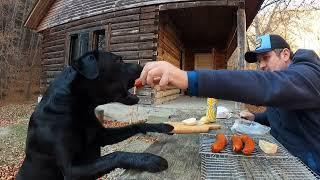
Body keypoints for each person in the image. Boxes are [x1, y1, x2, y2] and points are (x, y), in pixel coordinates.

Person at [139, 34, 320, 174]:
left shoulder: (309, 74)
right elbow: (281, 114)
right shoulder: (286, 87)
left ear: (285, 54)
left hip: (309, 168)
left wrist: (188, 78)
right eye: (259, 61)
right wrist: (257, 117)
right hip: (281, 159)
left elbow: (267, 85)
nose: (262, 65)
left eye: (266, 57)